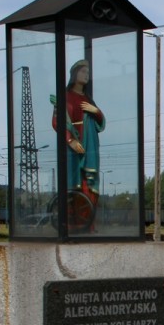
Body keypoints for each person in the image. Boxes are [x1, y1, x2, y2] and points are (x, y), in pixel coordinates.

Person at [51, 59, 105, 231]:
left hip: (90, 148)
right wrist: (70, 140)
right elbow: (57, 121)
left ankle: (89, 225)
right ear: (74, 74)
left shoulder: (88, 100)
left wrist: (95, 111)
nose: (86, 75)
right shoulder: (65, 97)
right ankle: (73, 225)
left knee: (89, 185)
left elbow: (101, 122)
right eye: (83, 72)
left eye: (88, 72)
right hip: (73, 149)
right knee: (74, 185)